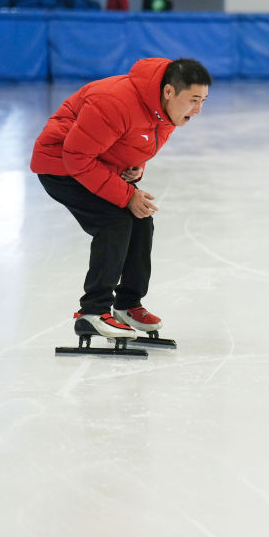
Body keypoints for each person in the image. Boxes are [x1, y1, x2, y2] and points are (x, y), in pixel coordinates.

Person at [30, 58, 212, 339]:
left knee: (140, 219)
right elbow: (76, 156)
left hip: (94, 164)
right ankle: (93, 312)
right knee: (114, 222)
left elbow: (133, 144)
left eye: (203, 101)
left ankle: (128, 304)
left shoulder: (167, 113)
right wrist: (127, 195)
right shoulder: (114, 102)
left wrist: (135, 167)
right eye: (194, 100)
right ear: (169, 92)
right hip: (60, 165)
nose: (198, 110)